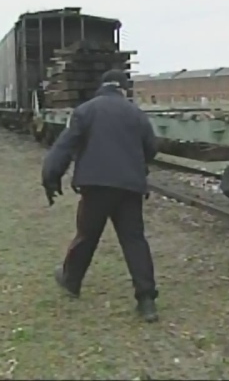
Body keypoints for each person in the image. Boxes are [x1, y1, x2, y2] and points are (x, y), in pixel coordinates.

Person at [41, 69, 160, 322]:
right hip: (130, 188)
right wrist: (135, 166)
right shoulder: (136, 114)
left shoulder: (85, 111)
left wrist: (51, 176)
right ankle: (147, 300)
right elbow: (151, 148)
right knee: (134, 240)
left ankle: (71, 281)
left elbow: (64, 145)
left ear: (102, 86)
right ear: (124, 89)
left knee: (87, 235)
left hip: (95, 187)